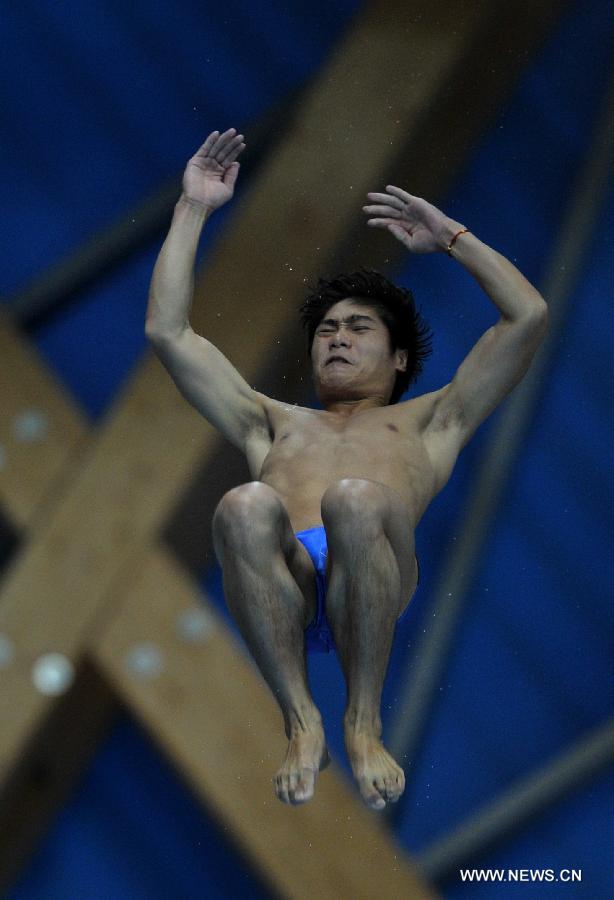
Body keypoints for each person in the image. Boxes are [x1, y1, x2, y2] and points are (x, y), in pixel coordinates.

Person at [146, 127, 548, 811]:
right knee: (243, 503)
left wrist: (452, 237)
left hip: (376, 567)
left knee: (356, 497)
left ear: (398, 361)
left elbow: (527, 315)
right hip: (288, 586)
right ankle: (302, 721)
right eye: (328, 329)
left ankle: (363, 721)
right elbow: (169, 333)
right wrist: (193, 209)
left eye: (359, 328)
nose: (336, 336)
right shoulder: (267, 420)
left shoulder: (433, 419)